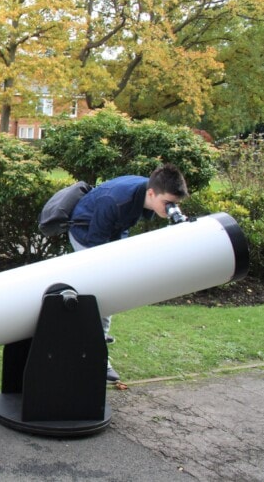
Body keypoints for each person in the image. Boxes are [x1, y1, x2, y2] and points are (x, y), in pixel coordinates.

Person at [68, 163, 188, 383]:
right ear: (152, 193)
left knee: (107, 294)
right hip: (86, 235)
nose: (172, 209)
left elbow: (120, 227)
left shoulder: (146, 193)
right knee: (103, 294)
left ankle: (96, 340)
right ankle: (97, 356)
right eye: (168, 204)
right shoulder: (115, 200)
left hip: (109, 232)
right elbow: (95, 252)